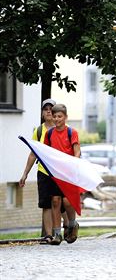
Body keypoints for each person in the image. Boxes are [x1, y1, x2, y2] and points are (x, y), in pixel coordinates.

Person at [19, 99, 56, 244]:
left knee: (60, 202)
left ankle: (66, 229)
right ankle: (48, 235)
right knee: (46, 204)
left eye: (51, 108)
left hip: (59, 172)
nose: (48, 111)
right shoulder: (39, 131)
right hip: (43, 171)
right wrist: (25, 174)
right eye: (45, 109)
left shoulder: (62, 129)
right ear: (42, 113)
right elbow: (32, 153)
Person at [43, 103, 80, 245]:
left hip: (69, 172)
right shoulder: (49, 133)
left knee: (67, 201)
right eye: (55, 116)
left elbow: (77, 150)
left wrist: (74, 163)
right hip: (55, 172)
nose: (57, 119)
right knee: (55, 201)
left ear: (65, 117)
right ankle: (57, 234)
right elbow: (46, 151)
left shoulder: (72, 132)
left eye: (60, 116)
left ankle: (72, 224)